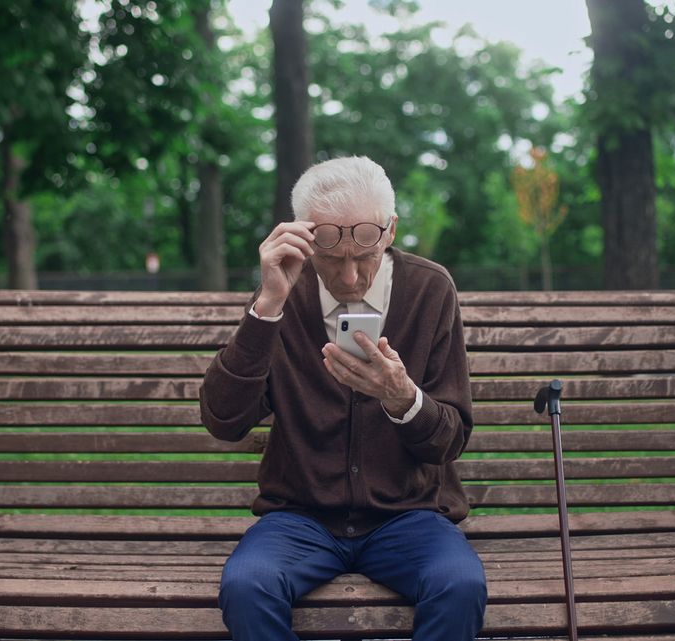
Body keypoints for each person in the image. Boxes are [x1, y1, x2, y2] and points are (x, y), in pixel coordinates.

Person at [199, 156, 486, 641]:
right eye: (331, 260)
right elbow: (224, 420)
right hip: (300, 518)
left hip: (409, 516)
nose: (350, 278)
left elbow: (450, 440)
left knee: (458, 585)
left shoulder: (430, 289)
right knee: (247, 587)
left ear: (390, 231)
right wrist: (266, 307)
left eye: (364, 256)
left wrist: (402, 398)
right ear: (305, 240)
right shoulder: (283, 293)